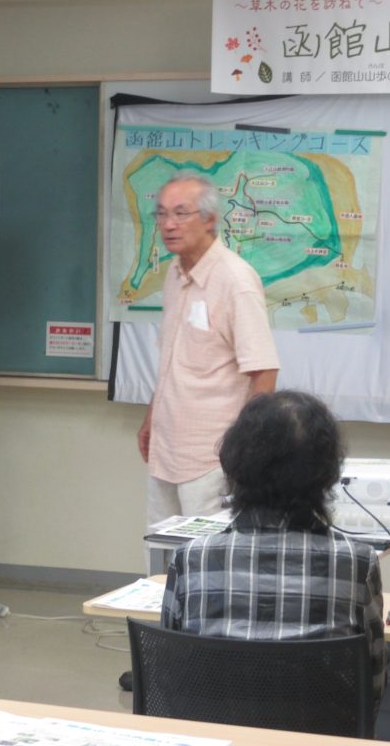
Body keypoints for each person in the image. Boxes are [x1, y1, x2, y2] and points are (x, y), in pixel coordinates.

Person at [161, 390, 387, 711]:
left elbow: (171, 674)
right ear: (327, 473)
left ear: (235, 464)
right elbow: (373, 682)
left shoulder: (192, 558)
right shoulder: (356, 562)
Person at [138, 171, 279, 526]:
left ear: (210, 220)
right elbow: (173, 358)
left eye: (181, 213)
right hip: (166, 450)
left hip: (212, 456)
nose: (169, 224)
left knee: (207, 565)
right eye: (161, 214)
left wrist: (244, 450)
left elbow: (263, 370)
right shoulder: (173, 273)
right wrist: (151, 416)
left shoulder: (235, 279)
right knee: (162, 556)